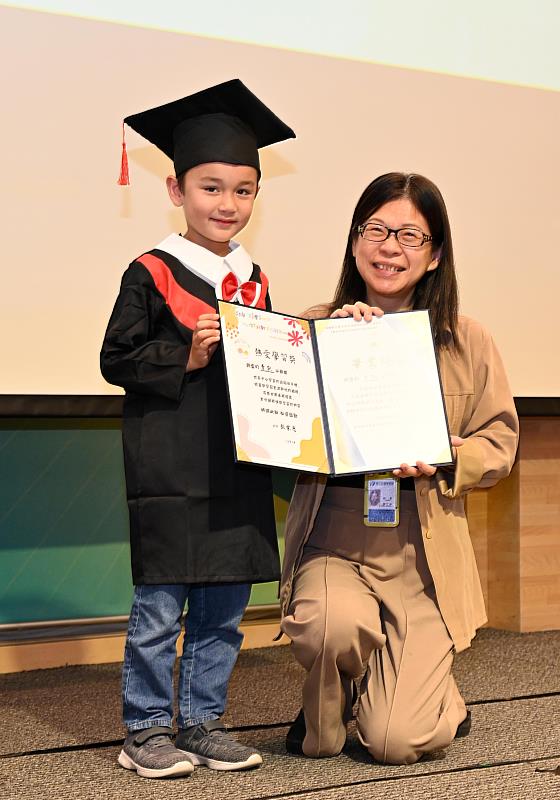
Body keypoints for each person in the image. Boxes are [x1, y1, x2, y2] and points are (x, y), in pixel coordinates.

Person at [280, 172, 519, 765]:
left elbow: (500, 441)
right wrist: (329, 352)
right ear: (356, 242)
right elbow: (279, 431)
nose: (391, 247)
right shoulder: (313, 327)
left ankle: (428, 695)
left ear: (436, 255)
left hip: (423, 552)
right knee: (331, 630)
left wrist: (447, 455)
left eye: (411, 235)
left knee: (396, 742)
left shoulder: (469, 340)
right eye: (377, 230)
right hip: (333, 541)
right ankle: (335, 699)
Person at [100, 79, 295, 779]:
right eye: (211, 188)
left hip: (237, 468)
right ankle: (145, 729)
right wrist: (184, 351)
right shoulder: (151, 272)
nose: (228, 205)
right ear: (176, 190)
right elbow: (114, 357)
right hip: (170, 469)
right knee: (160, 610)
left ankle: (202, 720)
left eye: (243, 191)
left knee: (223, 609)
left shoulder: (254, 278)